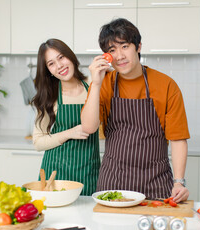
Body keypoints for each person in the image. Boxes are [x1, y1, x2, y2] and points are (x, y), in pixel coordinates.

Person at [81, 18, 190, 202]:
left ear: (138, 46)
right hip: (112, 183)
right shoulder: (104, 83)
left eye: (124, 46)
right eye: (112, 50)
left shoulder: (166, 85)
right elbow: (89, 127)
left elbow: (178, 139)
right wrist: (96, 83)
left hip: (156, 184)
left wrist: (179, 182)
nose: (119, 56)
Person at [32, 39, 100, 196]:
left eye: (61, 57)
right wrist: (70, 133)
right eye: (51, 63)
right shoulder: (49, 97)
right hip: (56, 175)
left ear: (71, 57)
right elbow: (38, 142)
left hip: (89, 172)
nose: (59, 66)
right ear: (48, 70)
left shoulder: (93, 86)